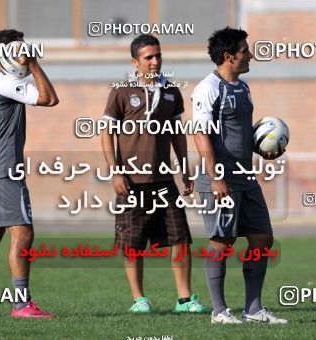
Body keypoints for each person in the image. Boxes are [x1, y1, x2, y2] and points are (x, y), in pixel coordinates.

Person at [101, 34, 210, 314]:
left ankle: (185, 299)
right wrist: (115, 172)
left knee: (181, 239)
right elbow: (106, 134)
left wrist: (185, 169)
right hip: (131, 183)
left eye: (158, 55)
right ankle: (139, 299)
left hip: (164, 181)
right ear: (135, 62)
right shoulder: (121, 92)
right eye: (148, 57)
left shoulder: (171, 92)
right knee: (132, 244)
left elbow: (178, 135)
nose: (155, 61)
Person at [192, 27, 287, 324]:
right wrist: (216, 175)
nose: (250, 54)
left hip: (246, 176)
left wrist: (262, 151)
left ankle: (254, 309)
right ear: (229, 56)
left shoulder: (243, 87)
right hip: (221, 177)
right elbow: (200, 134)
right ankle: (219, 311)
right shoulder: (208, 87)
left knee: (262, 239)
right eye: (245, 50)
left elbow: (240, 133)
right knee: (223, 240)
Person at [0, 29, 58, 318]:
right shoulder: (3, 82)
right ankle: (21, 304)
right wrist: (33, 64)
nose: (25, 53)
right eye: (20, 49)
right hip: (4, 169)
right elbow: (49, 99)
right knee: (23, 234)